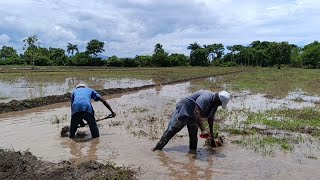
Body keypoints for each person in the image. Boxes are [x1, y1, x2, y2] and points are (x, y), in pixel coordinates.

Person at [153, 90, 230, 153]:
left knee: (193, 138)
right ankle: (156, 150)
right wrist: (203, 130)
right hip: (185, 111)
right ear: (218, 99)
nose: (220, 105)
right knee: (171, 131)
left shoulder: (214, 105)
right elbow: (196, 111)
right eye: (220, 103)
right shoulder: (206, 97)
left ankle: (192, 156)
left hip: (194, 118)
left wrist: (212, 139)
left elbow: (210, 119)